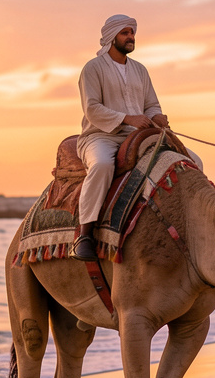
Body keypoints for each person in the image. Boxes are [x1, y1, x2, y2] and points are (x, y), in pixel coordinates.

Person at [73, 15, 201, 260]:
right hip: (101, 135)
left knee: (191, 161)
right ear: (111, 37)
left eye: (132, 32)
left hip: (139, 135)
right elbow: (92, 108)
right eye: (125, 33)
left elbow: (151, 104)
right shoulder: (93, 68)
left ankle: (191, 222)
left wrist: (157, 117)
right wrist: (128, 118)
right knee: (101, 165)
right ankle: (85, 235)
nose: (131, 37)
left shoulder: (140, 70)